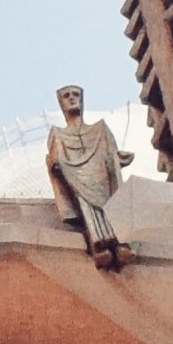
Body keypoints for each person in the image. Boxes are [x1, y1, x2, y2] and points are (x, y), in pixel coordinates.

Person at [42, 83, 131, 268]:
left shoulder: (100, 130)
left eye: (76, 94)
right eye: (67, 96)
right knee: (85, 202)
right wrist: (56, 165)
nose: (72, 98)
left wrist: (117, 157)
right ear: (61, 103)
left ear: (82, 100)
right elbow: (54, 159)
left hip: (101, 179)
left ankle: (120, 242)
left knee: (108, 203)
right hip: (77, 179)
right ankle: (99, 245)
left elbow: (111, 152)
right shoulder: (58, 135)